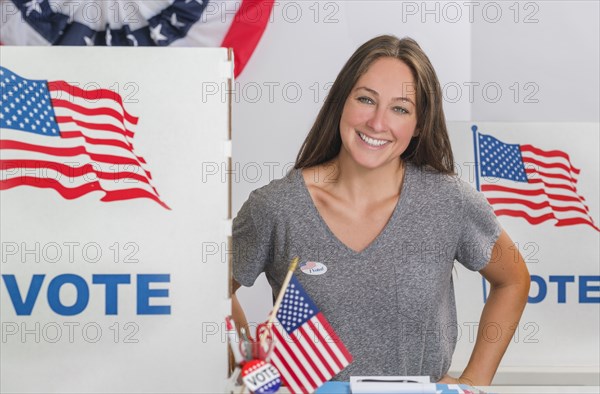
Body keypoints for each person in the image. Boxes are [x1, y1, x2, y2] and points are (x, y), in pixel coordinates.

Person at [231, 35, 530, 386]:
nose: (376, 122)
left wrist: (475, 381)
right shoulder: (275, 207)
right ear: (341, 102)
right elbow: (207, 294)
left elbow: (513, 280)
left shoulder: (449, 202)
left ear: (419, 124)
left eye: (400, 108)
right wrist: (251, 365)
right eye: (365, 99)